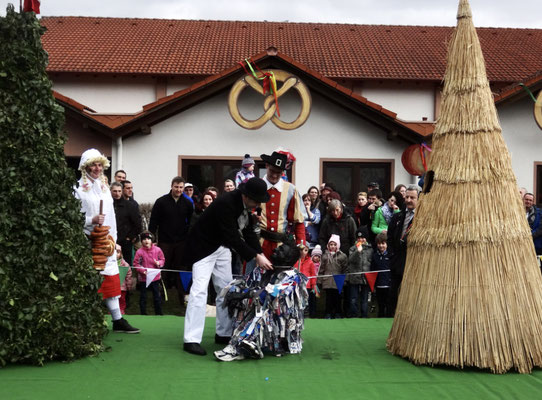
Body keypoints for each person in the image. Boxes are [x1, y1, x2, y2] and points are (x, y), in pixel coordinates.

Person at [183, 178, 273, 356]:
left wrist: (260, 253)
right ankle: (191, 340)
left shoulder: (246, 207)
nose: (258, 204)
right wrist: (255, 256)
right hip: (203, 248)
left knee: (226, 289)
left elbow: (247, 233)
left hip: (222, 248)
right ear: (246, 196)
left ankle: (223, 333)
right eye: (256, 200)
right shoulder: (226, 204)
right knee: (199, 291)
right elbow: (233, 236)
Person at [74, 148, 139, 333]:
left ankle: (117, 320)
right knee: (89, 282)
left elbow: (111, 217)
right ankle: (87, 320)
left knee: (110, 280)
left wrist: (115, 240)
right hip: (87, 242)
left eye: (99, 165)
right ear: (85, 167)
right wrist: (90, 221)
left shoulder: (105, 189)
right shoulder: (78, 190)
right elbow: (70, 218)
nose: (96, 168)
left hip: (107, 243)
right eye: (93, 165)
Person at [148, 176, 193, 309]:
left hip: (181, 241)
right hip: (165, 241)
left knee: (181, 268)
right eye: (176, 187)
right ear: (171, 186)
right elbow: (153, 221)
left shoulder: (187, 203)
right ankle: (160, 294)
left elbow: (191, 222)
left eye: (181, 187)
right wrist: (152, 239)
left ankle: (182, 295)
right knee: (163, 268)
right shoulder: (161, 202)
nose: (178, 190)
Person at [259, 151, 306, 259]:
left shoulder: (291, 190)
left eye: (279, 172)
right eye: (272, 171)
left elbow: (298, 222)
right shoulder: (257, 185)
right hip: (258, 244)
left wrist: (301, 245)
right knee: (253, 275)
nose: (275, 175)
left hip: (281, 247)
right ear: (266, 166)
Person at [387, 185, 420, 316]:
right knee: (393, 292)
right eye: (407, 197)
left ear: (419, 199)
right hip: (397, 261)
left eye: (412, 197)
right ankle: (390, 317)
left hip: (414, 262)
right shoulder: (398, 216)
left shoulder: (422, 218)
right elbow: (389, 237)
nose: (409, 200)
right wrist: (391, 255)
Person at [134, 231, 165, 315]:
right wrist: (142, 271)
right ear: (141, 241)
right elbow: (136, 264)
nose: (146, 241)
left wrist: (159, 263)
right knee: (143, 296)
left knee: (156, 296)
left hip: (155, 277)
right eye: (144, 239)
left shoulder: (158, 250)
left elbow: (162, 259)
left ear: (152, 240)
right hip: (144, 278)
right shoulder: (139, 252)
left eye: (148, 239)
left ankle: (158, 313)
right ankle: (143, 313)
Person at [111, 182, 141, 265]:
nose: (117, 194)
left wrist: (130, 237)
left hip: (125, 241)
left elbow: (137, 223)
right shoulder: (108, 204)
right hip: (110, 239)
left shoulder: (129, 206)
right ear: (110, 191)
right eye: (115, 191)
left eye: (119, 191)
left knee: (126, 266)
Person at [318, 234, 347, 319]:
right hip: (327, 280)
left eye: (335, 244)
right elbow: (321, 270)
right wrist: (319, 281)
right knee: (328, 299)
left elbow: (345, 269)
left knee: (338, 298)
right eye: (331, 244)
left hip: (338, 280)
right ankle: (328, 313)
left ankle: (338, 312)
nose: (333, 246)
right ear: (328, 245)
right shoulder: (325, 256)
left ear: (337, 245)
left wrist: (345, 281)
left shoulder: (342, 256)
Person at [346, 230, 373, 318]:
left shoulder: (370, 249)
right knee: (353, 299)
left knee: (364, 299)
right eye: (358, 238)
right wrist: (358, 251)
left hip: (366, 278)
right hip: (354, 277)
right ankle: (354, 315)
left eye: (362, 238)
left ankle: (364, 315)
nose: (360, 240)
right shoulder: (352, 248)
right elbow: (350, 260)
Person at [294, 241, 318, 318]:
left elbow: (313, 274)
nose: (303, 252)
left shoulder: (310, 262)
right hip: (296, 285)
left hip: (306, 286)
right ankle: (297, 315)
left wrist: (313, 284)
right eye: (301, 250)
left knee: (305, 301)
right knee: (297, 300)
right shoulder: (295, 261)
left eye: (305, 250)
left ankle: (306, 315)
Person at [371, 232, 391, 317]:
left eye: (383, 243)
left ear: (386, 244)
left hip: (388, 285)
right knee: (380, 304)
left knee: (389, 304)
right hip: (379, 285)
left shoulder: (390, 255)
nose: (381, 246)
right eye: (379, 243)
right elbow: (372, 270)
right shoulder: (375, 256)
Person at [116, 244, 133, 315]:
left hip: (122, 288)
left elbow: (128, 276)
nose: (115, 254)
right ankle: (113, 312)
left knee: (122, 300)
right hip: (112, 288)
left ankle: (121, 311)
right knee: (113, 301)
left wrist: (129, 286)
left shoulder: (125, 264)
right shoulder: (108, 264)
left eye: (118, 252)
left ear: (121, 254)